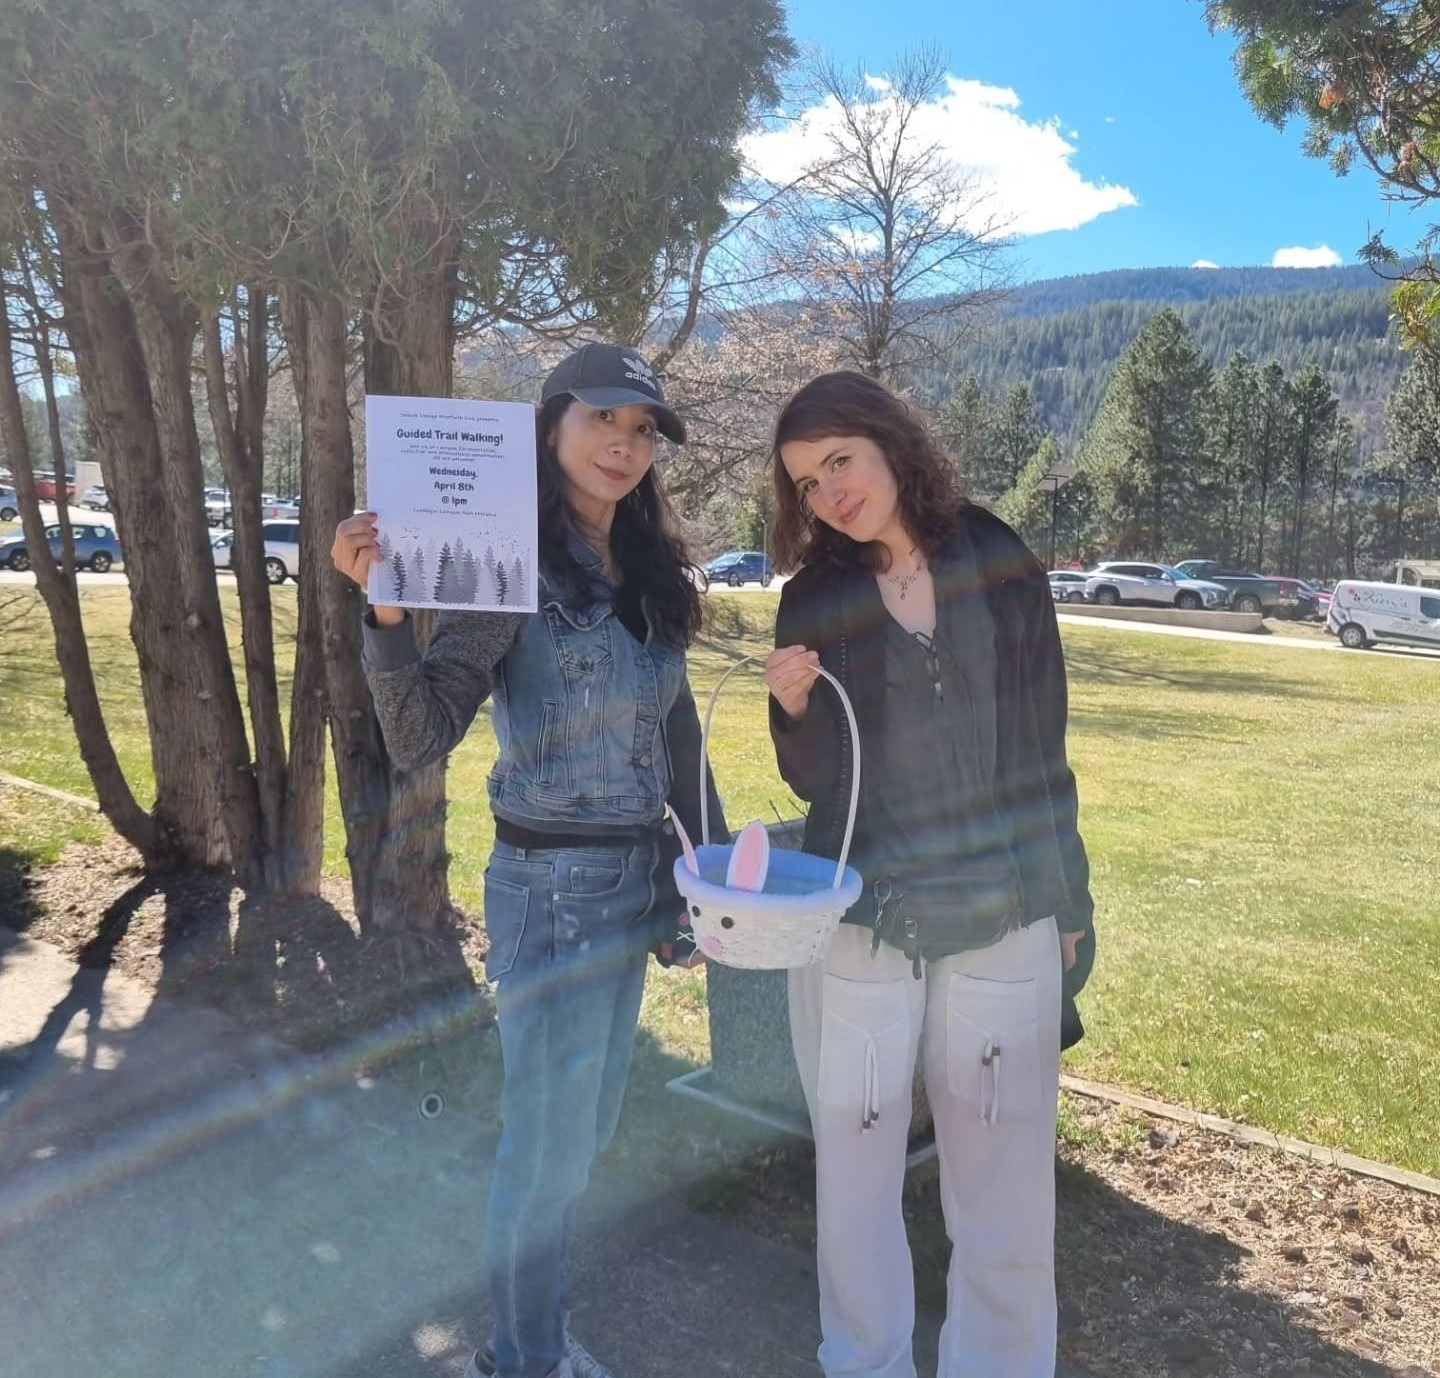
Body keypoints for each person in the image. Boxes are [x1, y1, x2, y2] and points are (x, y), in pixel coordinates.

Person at [332, 343, 726, 1378]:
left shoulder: (651, 574)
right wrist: (384, 611)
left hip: (634, 886)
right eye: (602, 418)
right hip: (550, 895)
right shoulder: (506, 564)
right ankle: (526, 1359)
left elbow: (678, 733)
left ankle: (526, 1340)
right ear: (550, 426)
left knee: (582, 1141)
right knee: (546, 1155)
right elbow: (419, 736)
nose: (624, 444)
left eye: (643, 429)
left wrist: (708, 874)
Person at [761, 371, 1096, 1378]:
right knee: (855, 1178)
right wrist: (792, 711)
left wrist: (1067, 900)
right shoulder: (814, 597)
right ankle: (863, 1362)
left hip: (1004, 913)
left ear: (890, 444)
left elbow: (1042, 745)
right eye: (807, 483)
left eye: (840, 462)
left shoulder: (998, 559)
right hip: (864, 924)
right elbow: (818, 781)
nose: (829, 494)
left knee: (1003, 1188)